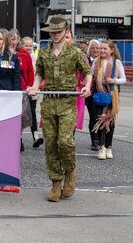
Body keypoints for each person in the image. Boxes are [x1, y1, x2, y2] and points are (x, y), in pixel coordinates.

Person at [28, 16, 92, 202]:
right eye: (53, 32)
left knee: (65, 142)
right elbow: (39, 73)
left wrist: (87, 86)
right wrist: (34, 86)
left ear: (66, 32)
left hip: (67, 102)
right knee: (51, 144)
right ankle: (56, 183)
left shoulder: (74, 52)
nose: (55, 35)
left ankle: (70, 173)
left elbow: (87, 72)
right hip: (48, 102)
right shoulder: (44, 53)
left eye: (58, 32)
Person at [92, 39, 126, 160]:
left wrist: (114, 81)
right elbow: (91, 77)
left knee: (110, 122)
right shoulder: (96, 62)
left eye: (105, 48)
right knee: (100, 121)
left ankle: (108, 147)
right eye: (101, 48)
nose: (102, 50)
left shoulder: (117, 63)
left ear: (111, 50)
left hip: (112, 96)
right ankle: (101, 148)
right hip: (99, 96)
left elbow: (124, 79)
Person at [9, 29, 38, 152]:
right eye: (10, 38)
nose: (12, 41)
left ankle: (19, 138)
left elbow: (30, 72)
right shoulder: (4, 52)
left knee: (21, 117)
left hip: (22, 89)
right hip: (8, 90)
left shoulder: (24, 54)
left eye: (15, 38)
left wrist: (30, 86)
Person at [86, 39, 101, 150]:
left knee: (101, 117)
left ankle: (101, 139)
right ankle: (94, 140)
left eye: (97, 48)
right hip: (90, 93)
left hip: (102, 93)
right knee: (93, 117)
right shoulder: (86, 61)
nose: (95, 50)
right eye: (93, 48)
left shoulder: (103, 61)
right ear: (89, 50)